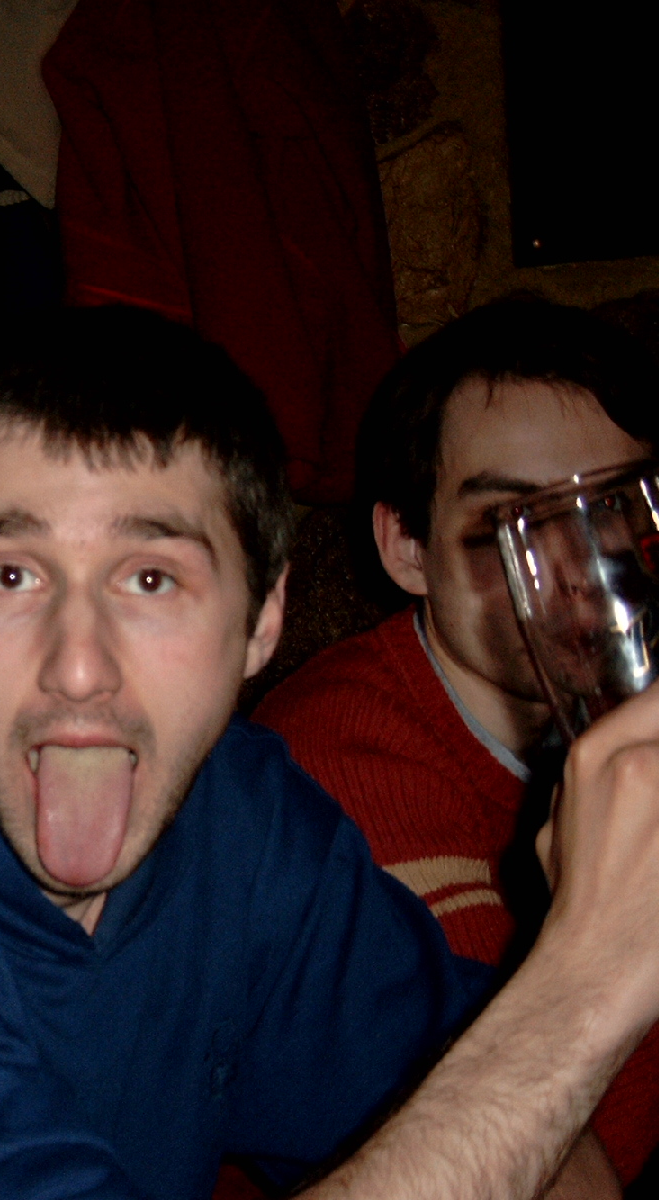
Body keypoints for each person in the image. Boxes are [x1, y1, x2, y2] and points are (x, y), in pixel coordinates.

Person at [0, 305, 659, 1200]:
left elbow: (523, 1129)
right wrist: (581, 989)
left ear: (263, 620)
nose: (78, 669)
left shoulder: (245, 814)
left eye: (151, 579)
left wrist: (554, 1033)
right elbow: (528, 1077)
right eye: (9, 576)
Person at [255, 301, 659, 1187]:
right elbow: (550, 1145)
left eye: (608, 508)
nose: (578, 571)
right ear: (406, 547)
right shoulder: (334, 773)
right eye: (507, 523)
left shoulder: (620, 699)